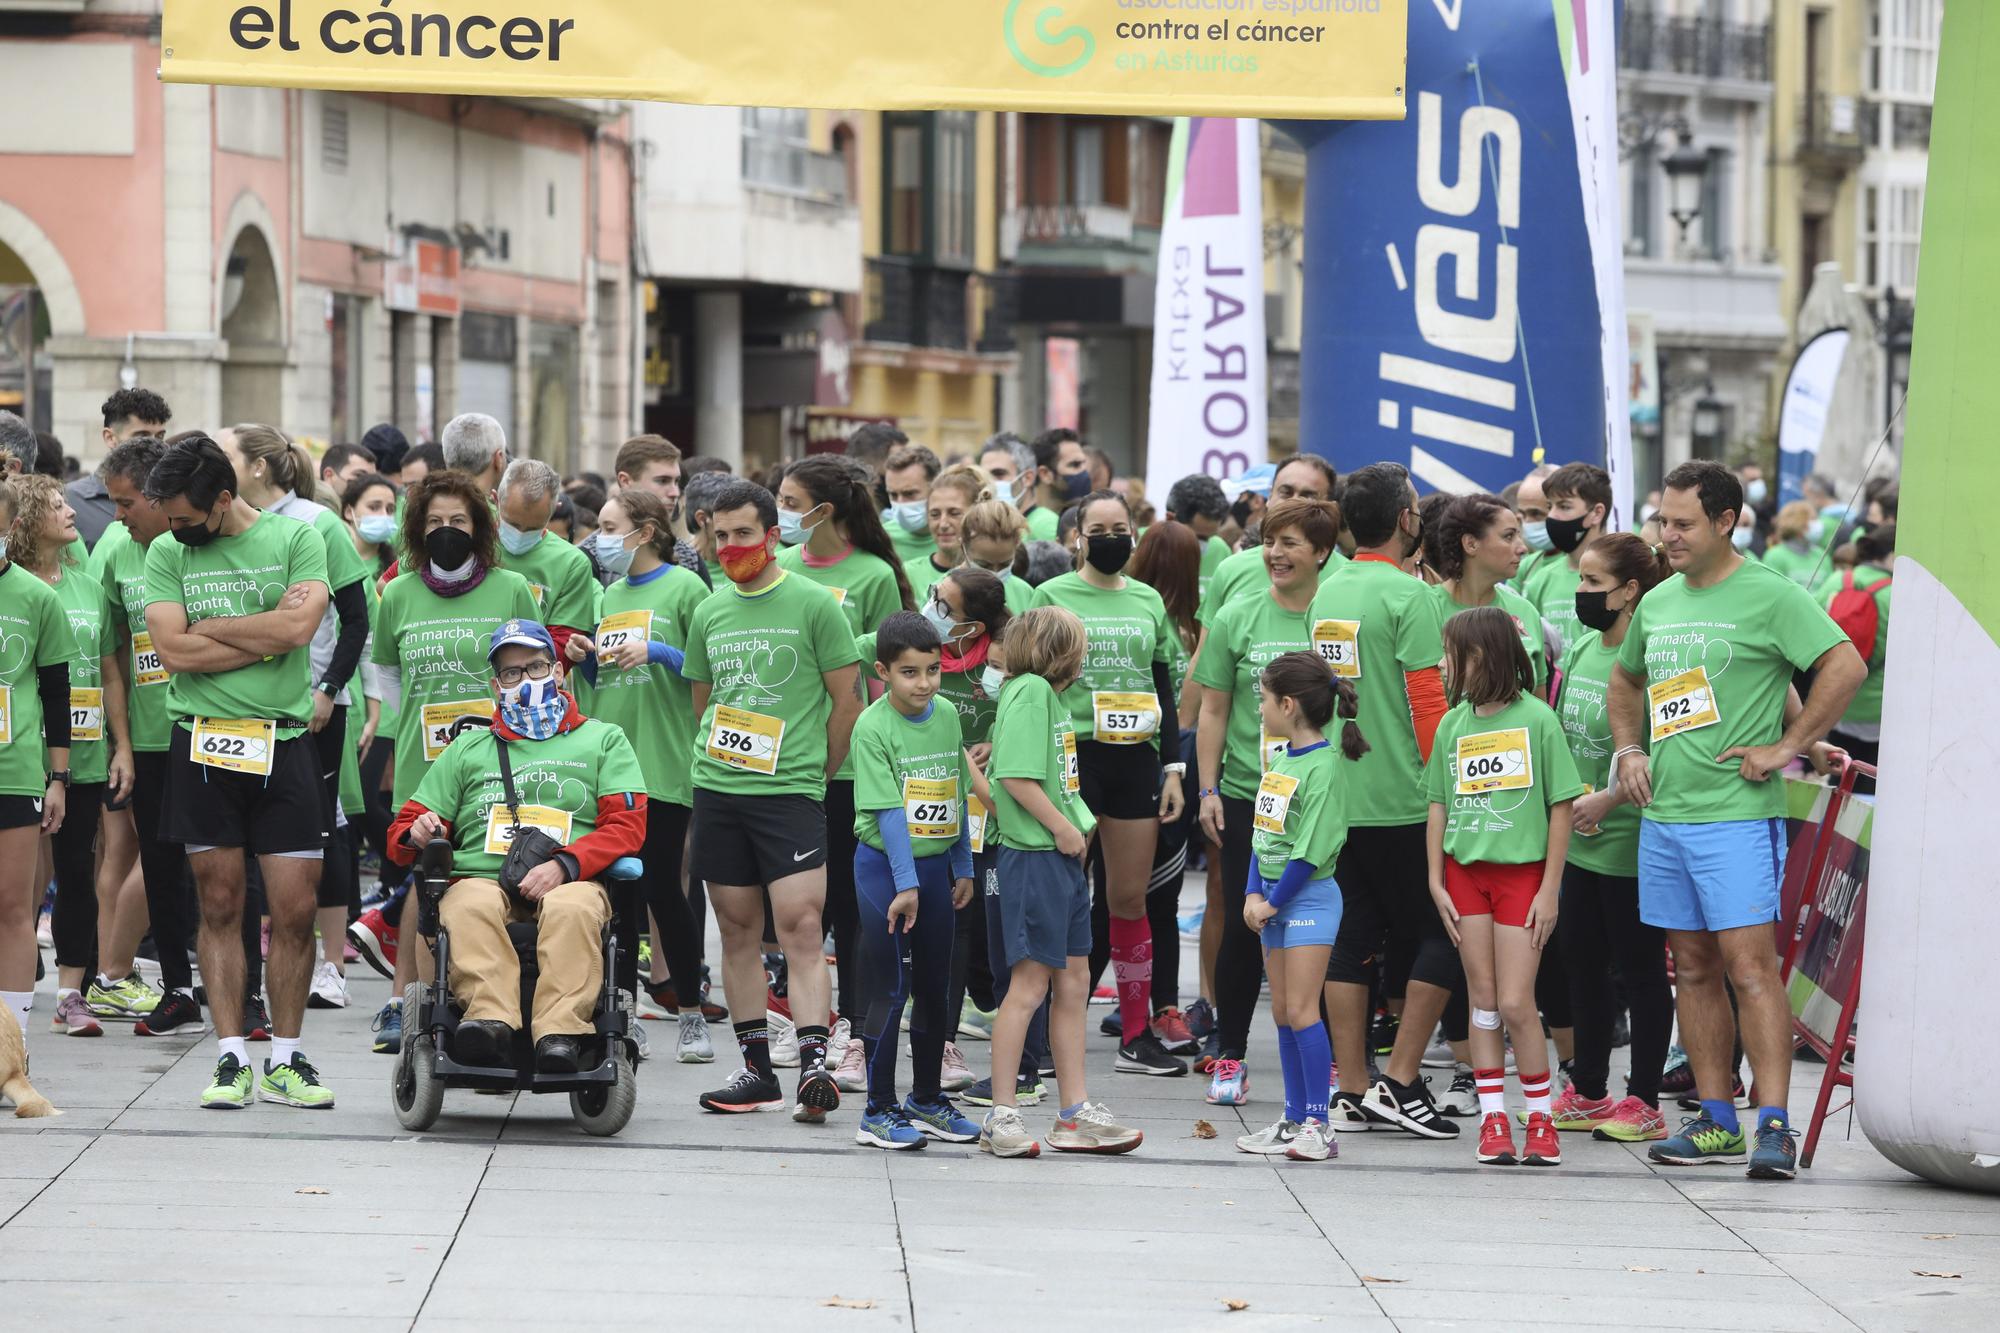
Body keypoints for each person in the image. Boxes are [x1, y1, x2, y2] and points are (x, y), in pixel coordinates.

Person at [1611, 461, 1866, 1181]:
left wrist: (1790, 746)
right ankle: (1717, 1118)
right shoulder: (1659, 601)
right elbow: (1626, 678)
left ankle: (1774, 1125)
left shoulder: (1770, 594)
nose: (1669, 534)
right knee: (1690, 968)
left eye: (1684, 523)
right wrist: (1630, 748)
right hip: (1664, 819)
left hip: (1736, 819)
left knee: (1751, 970)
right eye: (1664, 520)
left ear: (1727, 522)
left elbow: (1841, 665)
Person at [140, 435, 336, 1110]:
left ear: (224, 500)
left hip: (282, 745)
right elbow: (172, 648)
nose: (174, 530)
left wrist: (213, 626)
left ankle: (286, 1056)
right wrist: (256, 632)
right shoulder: (164, 552)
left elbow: (297, 632)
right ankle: (229, 1057)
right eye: (168, 518)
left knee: (295, 908)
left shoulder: (297, 540)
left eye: (187, 519)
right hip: (202, 744)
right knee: (219, 903)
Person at [385, 621, 647, 1073]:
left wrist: (566, 865)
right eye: (512, 673)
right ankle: (489, 1022)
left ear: (559, 672)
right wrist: (420, 832)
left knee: (574, 908)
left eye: (537, 667)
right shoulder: (468, 747)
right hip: (483, 877)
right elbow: (404, 829)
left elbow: (626, 826)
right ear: (495, 685)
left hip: (572, 877)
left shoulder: (604, 740)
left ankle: (561, 1033)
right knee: (467, 902)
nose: (526, 680)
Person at [683, 479, 864, 1119]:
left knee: (802, 926)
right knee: (735, 930)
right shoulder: (709, 610)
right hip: (720, 790)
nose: (731, 546)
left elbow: (849, 701)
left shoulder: (815, 604)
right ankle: (756, 1069)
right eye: (720, 534)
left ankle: (816, 1063)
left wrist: (820, 772)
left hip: (790, 792)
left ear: (772, 534)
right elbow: (704, 705)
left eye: (743, 533)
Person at [358, 471, 538, 1048]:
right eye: (434, 521)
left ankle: (486, 998)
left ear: (479, 526)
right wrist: (392, 740)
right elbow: (386, 672)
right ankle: (405, 1002)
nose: (446, 531)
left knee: (489, 877)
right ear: (417, 527)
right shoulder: (399, 593)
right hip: (422, 761)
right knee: (425, 876)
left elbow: (534, 671)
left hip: (500, 763)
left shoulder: (512, 589)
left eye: (458, 521)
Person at [1307, 464, 1460, 1139]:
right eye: (1417, 507)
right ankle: (1399, 1078)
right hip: (1405, 797)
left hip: (1342, 794)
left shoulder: (1326, 590)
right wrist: (1448, 786)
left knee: (1352, 938)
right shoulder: (1411, 596)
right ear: (1405, 520)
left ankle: (1352, 1087)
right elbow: (1429, 704)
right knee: (1441, 932)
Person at [217, 425, 374, 1013]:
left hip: (314, 707)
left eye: (227, 454)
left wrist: (329, 690)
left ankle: (329, 963)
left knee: (320, 830)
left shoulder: (318, 522)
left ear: (258, 466)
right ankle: (268, 960)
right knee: (260, 840)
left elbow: (356, 621)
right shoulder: (227, 526)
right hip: (252, 709)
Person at [1031, 491, 1186, 1075]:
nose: (1112, 537)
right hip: (1073, 756)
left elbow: (1164, 691)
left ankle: (1136, 1033)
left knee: (1127, 896)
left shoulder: (1148, 600)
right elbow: (1035, 683)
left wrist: (1173, 768)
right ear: (1078, 536)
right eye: (1100, 528)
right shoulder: (1051, 596)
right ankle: (1045, 1035)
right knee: (1067, 897)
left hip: (1135, 760)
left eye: (1121, 527)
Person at [1193, 499, 1342, 1104]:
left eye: (1290, 543)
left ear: (1323, 553)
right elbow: (1213, 707)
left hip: (1323, 795)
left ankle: (1328, 1063)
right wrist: (1206, 787)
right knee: (1239, 919)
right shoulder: (1237, 613)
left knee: (1317, 930)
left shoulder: (1338, 612)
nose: (1276, 554)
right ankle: (1230, 1054)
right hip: (1246, 793)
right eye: (1268, 541)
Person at [1425, 607, 1585, 1166]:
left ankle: (1541, 1119)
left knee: (1518, 1002)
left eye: (1450, 653)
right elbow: (1438, 804)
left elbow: (1561, 808)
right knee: (1484, 1001)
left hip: (1523, 877)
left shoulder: (1538, 719)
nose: (1443, 664)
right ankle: (1494, 1117)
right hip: (1465, 878)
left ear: (1479, 657)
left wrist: (1549, 889)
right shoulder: (1452, 723)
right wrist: (1435, 879)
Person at [982, 606, 1143, 1158]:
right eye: (1079, 648)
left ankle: (1074, 1113)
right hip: (1036, 858)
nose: (1084, 659)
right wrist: (1062, 830)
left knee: (1073, 984)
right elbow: (1017, 778)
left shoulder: (1044, 696)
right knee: (1028, 988)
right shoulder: (1029, 692)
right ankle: (1002, 1115)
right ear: (1060, 653)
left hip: (1061, 858)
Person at [562, 488, 715, 1064]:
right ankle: (622, 1012)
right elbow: (602, 685)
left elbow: (707, 666)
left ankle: (691, 1011)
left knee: (661, 890)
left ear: (645, 531)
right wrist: (585, 658)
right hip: (611, 766)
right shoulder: (608, 595)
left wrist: (658, 650)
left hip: (666, 762)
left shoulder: (686, 588)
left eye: (608, 526)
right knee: (617, 896)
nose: (598, 538)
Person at [775, 456, 915, 1054]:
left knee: (856, 907)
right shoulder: (779, 567)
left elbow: (886, 673)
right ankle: (803, 1022)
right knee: (804, 908)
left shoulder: (873, 573)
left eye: (787, 500)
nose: (778, 512)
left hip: (855, 765)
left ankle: (858, 1032)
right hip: (793, 764)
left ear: (822, 510)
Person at [1551, 534, 1677, 1143]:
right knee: (1581, 967)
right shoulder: (1580, 648)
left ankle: (1645, 1100)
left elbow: (1665, 754)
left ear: (1630, 591)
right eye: (1580, 580)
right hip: (1579, 842)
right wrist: (1572, 798)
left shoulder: (1651, 658)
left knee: (1641, 972)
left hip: (1630, 843)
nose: (1581, 592)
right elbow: (1565, 740)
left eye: (1594, 584)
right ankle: (1590, 1091)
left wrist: (1608, 799)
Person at [847, 612, 984, 1149]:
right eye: (909, 672)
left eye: (933, 670)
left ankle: (926, 1099)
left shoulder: (947, 713)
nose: (924, 683)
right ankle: (877, 1110)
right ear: (882, 671)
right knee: (890, 987)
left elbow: (953, 790)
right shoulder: (872, 725)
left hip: (937, 867)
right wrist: (906, 887)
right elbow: (888, 814)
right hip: (885, 870)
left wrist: (965, 866)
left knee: (935, 984)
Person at [8, 478, 131, 1037]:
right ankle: (17, 989)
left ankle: (70, 992)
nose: (70, 511)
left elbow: (109, 672)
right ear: (28, 518)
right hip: (20, 758)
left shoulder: (85, 586)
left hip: (78, 755)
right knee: (24, 886)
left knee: (77, 869)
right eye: (56, 505)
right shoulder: (19, 589)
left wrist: (119, 744)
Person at [1236, 652, 1369, 1164]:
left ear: (1288, 704)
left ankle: (1319, 1123)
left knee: (1301, 1009)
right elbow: (1263, 835)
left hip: (1307, 899)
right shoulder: (1281, 758)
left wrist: (1270, 902)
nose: (1260, 708)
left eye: (1264, 699)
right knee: (1282, 1012)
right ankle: (1294, 1118)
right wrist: (1253, 893)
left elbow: (1310, 851)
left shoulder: (1326, 766)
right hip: (1271, 901)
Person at [914, 567, 1021, 1100]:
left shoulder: (1008, 656)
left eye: (944, 604)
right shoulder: (921, 647)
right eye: (934, 596)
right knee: (948, 922)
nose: (932, 607)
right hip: (929, 808)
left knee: (989, 926)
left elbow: (1039, 715)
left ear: (975, 625)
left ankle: (1023, 1053)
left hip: (993, 814)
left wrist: (995, 744)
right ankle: (945, 1040)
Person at [0, 476, 75, 1053]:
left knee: (11, 908)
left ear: (11, 526)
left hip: (15, 772)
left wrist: (58, 777)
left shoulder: (35, 598)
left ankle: (11, 1048)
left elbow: (55, 690)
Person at [1127, 518, 1203, 1052]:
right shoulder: (1135, 615)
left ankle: (1164, 1006)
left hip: (1168, 764)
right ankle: (1139, 1008)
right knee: (1127, 897)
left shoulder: (1195, 628)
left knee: (1160, 894)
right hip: (1134, 764)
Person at [1434, 494, 1548, 693]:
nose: (1522, 548)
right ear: (1470, 544)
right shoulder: (1425, 607)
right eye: (1509, 536)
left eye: (1519, 536)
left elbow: (1540, 709)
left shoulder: (1524, 610)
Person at [495, 459, 601, 658]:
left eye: (533, 528)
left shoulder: (571, 563)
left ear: (555, 508)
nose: (520, 534)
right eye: (512, 524)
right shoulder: (473, 541)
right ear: (495, 500)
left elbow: (563, 644)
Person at [1820, 523, 1894, 780]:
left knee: (1839, 778)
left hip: (1837, 701)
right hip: (1880, 710)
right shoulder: (1899, 593)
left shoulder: (1837, 580)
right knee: (1874, 787)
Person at [1523, 463, 1613, 653]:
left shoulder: (1619, 577)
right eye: (1550, 506)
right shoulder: (1540, 580)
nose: (1553, 516)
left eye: (1564, 506)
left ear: (1597, 513)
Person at [65, 389, 172, 549]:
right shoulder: (71, 501)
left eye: (160, 437)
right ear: (110, 437)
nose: (154, 445)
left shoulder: (175, 497)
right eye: (142, 436)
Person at [613, 434, 711, 589]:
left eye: (677, 482)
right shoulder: (591, 557)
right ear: (625, 481)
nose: (674, 493)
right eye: (662, 481)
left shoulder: (688, 557)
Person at [904, 464, 990, 602]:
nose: (943, 524)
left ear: (977, 515)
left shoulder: (995, 574)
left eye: (954, 513)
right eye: (935, 514)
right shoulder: (908, 575)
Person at [1164, 474, 1233, 603]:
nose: (1204, 546)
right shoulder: (1142, 548)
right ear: (1170, 519)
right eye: (1199, 538)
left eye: (1210, 537)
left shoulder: (1220, 550)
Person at [960, 497, 1033, 614]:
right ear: (963, 548)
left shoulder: (1024, 592)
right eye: (984, 565)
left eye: (1005, 564)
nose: (995, 574)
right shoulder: (941, 593)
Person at [881, 443, 943, 567]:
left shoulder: (955, 539)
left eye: (909, 494)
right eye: (893, 495)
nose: (900, 503)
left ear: (936, 488)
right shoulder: (882, 540)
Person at [1028, 429, 1092, 543]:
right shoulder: (1048, 524)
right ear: (1045, 474)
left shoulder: (1032, 518)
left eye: (1084, 464)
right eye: (1075, 465)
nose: (1085, 472)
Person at [1759, 501, 1827, 592]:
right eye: (1812, 519)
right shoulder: (1775, 556)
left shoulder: (1821, 555)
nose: (1817, 524)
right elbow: (1773, 591)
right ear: (1797, 523)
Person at [1512, 465, 1557, 593]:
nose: (1527, 523)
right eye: (1522, 514)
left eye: (1536, 514)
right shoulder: (1523, 566)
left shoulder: (1582, 563)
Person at [977, 433, 1038, 521]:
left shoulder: (1044, 525)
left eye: (999, 474)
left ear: (1027, 478)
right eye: (984, 475)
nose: (989, 482)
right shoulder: (1002, 526)